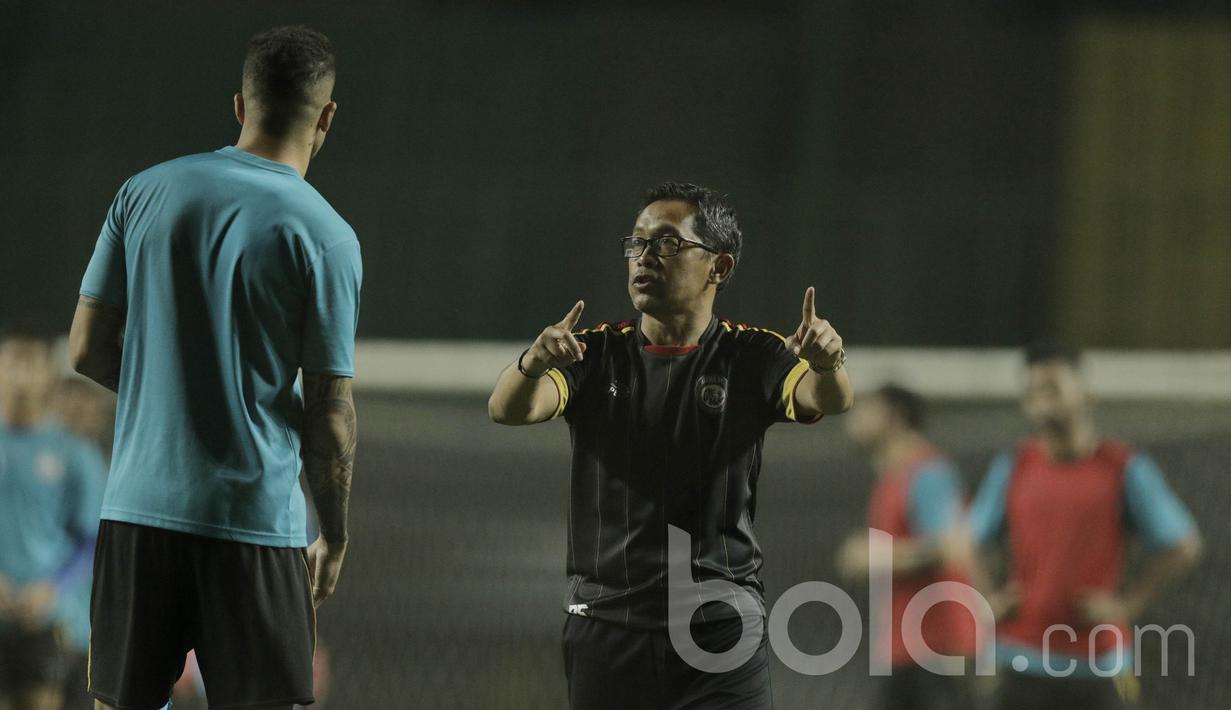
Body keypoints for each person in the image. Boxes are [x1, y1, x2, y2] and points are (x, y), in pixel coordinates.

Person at [68, 25, 361, 710]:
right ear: (326, 116)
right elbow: (330, 412)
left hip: (137, 511)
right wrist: (335, 534)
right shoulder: (326, 236)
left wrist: (168, 392)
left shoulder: (143, 192)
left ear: (240, 104)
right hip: (252, 524)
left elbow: (84, 349)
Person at [488, 182, 854, 710]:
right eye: (636, 243)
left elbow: (827, 397)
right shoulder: (594, 353)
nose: (644, 256)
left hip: (720, 627)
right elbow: (509, 408)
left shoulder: (752, 354)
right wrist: (533, 363)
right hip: (608, 623)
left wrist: (828, 361)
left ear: (718, 267)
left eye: (666, 243)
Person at [969, 343, 1202, 710]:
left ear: (1086, 395)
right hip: (1019, 657)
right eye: (1033, 390)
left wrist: (1129, 604)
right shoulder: (1014, 466)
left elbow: (1183, 546)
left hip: (1098, 664)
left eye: (1053, 387)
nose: (1042, 398)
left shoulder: (1122, 467)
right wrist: (988, 598)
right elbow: (967, 541)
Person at [837, 383, 978, 710]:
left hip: (939, 648)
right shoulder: (890, 479)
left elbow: (953, 548)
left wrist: (874, 556)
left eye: (865, 408)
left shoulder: (928, 473)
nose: (852, 419)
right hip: (907, 650)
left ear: (894, 417)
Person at [0, 327, 105, 710]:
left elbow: (92, 540)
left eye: (31, 366)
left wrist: (51, 588)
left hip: (48, 618)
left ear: (48, 377)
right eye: (13, 365)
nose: (22, 377)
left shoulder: (74, 454)